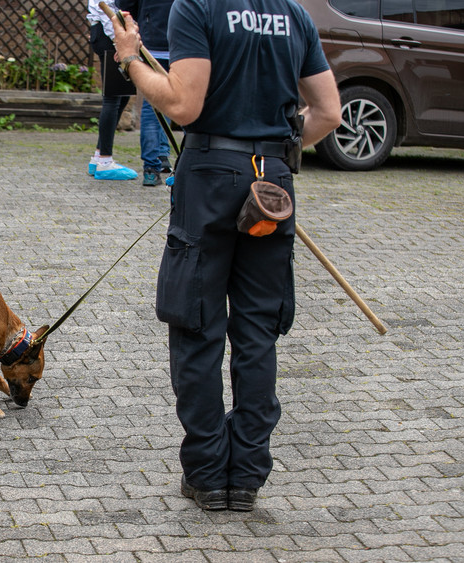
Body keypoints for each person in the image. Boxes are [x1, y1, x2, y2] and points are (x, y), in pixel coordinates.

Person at [109, 1, 341, 511]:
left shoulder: (197, 7)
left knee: (196, 325)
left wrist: (130, 58)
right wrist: (276, 156)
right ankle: (246, 478)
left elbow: (184, 106)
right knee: (258, 333)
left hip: (211, 174)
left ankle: (209, 476)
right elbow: (328, 112)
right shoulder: (293, 13)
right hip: (271, 180)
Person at [86, 1, 138, 181]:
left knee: (122, 95)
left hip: (106, 32)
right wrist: (118, 42)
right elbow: (107, 9)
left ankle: (99, 156)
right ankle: (105, 162)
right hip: (109, 34)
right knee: (112, 97)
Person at [128, 0, 174, 186]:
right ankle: (167, 159)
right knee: (178, 100)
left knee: (152, 104)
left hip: (153, 37)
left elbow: (125, 4)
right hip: (184, 40)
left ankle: (152, 167)